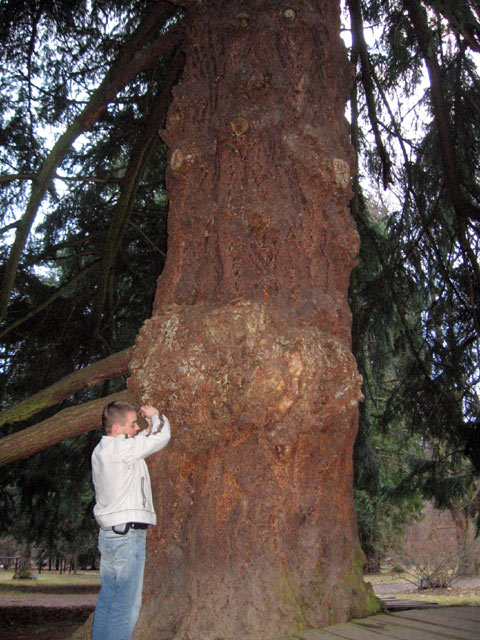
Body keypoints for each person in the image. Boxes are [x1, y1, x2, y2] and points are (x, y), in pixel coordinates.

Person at [90, 400, 171, 640]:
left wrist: (142, 427)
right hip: (127, 538)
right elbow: (159, 438)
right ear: (117, 430)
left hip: (112, 536)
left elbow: (139, 442)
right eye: (133, 424)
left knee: (109, 599)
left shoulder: (105, 450)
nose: (137, 428)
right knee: (126, 606)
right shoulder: (119, 450)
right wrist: (156, 416)